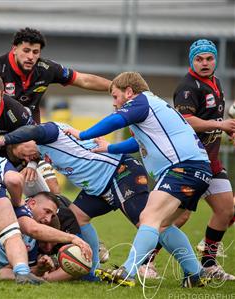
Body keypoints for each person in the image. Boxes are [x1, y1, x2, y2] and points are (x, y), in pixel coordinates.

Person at [65, 72, 213, 288]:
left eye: (115, 97)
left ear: (129, 92)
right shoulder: (153, 107)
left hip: (183, 169)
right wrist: (110, 148)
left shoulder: (141, 101)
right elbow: (139, 144)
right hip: (197, 169)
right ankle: (194, 274)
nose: (115, 104)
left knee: (149, 217)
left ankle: (128, 272)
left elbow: (116, 120)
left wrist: (82, 134)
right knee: (162, 225)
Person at [0, 121, 150, 282]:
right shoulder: (41, 147)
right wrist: (31, 163)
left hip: (119, 171)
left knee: (150, 223)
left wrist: (4, 139)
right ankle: (92, 270)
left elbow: (33, 131)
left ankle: (132, 270)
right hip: (100, 184)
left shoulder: (49, 130)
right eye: (23, 158)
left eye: (24, 154)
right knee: (78, 215)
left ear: (26, 140)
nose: (26, 158)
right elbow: (36, 150)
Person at [171, 39, 235, 281]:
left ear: (215, 60)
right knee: (178, 217)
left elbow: (212, 121)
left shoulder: (216, 83)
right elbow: (185, 119)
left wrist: (227, 131)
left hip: (212, 162)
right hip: (190, 162)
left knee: (226, 210)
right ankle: (146, 262)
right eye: (199, 59)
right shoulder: (188, 87)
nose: (205, 63)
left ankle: (208, 264)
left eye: (209, 58)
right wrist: (219, 124)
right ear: (192, 61)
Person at [0, 27, 111, 124]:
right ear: (14, 49)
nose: (31, 57)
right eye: (26, 51)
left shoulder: (47, 68)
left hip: (32, 131)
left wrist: (115, 86)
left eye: (35, 52)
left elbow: (84, 80)